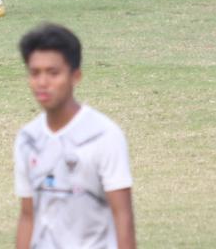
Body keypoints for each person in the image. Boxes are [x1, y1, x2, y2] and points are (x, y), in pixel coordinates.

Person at [14, 24, 135, 249]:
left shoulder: (105, 135)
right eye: (35, 73)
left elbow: (123, 218)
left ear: (75, 76)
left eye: (53, 73)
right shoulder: (27, 138)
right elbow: (28, 216)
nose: (42, 82)